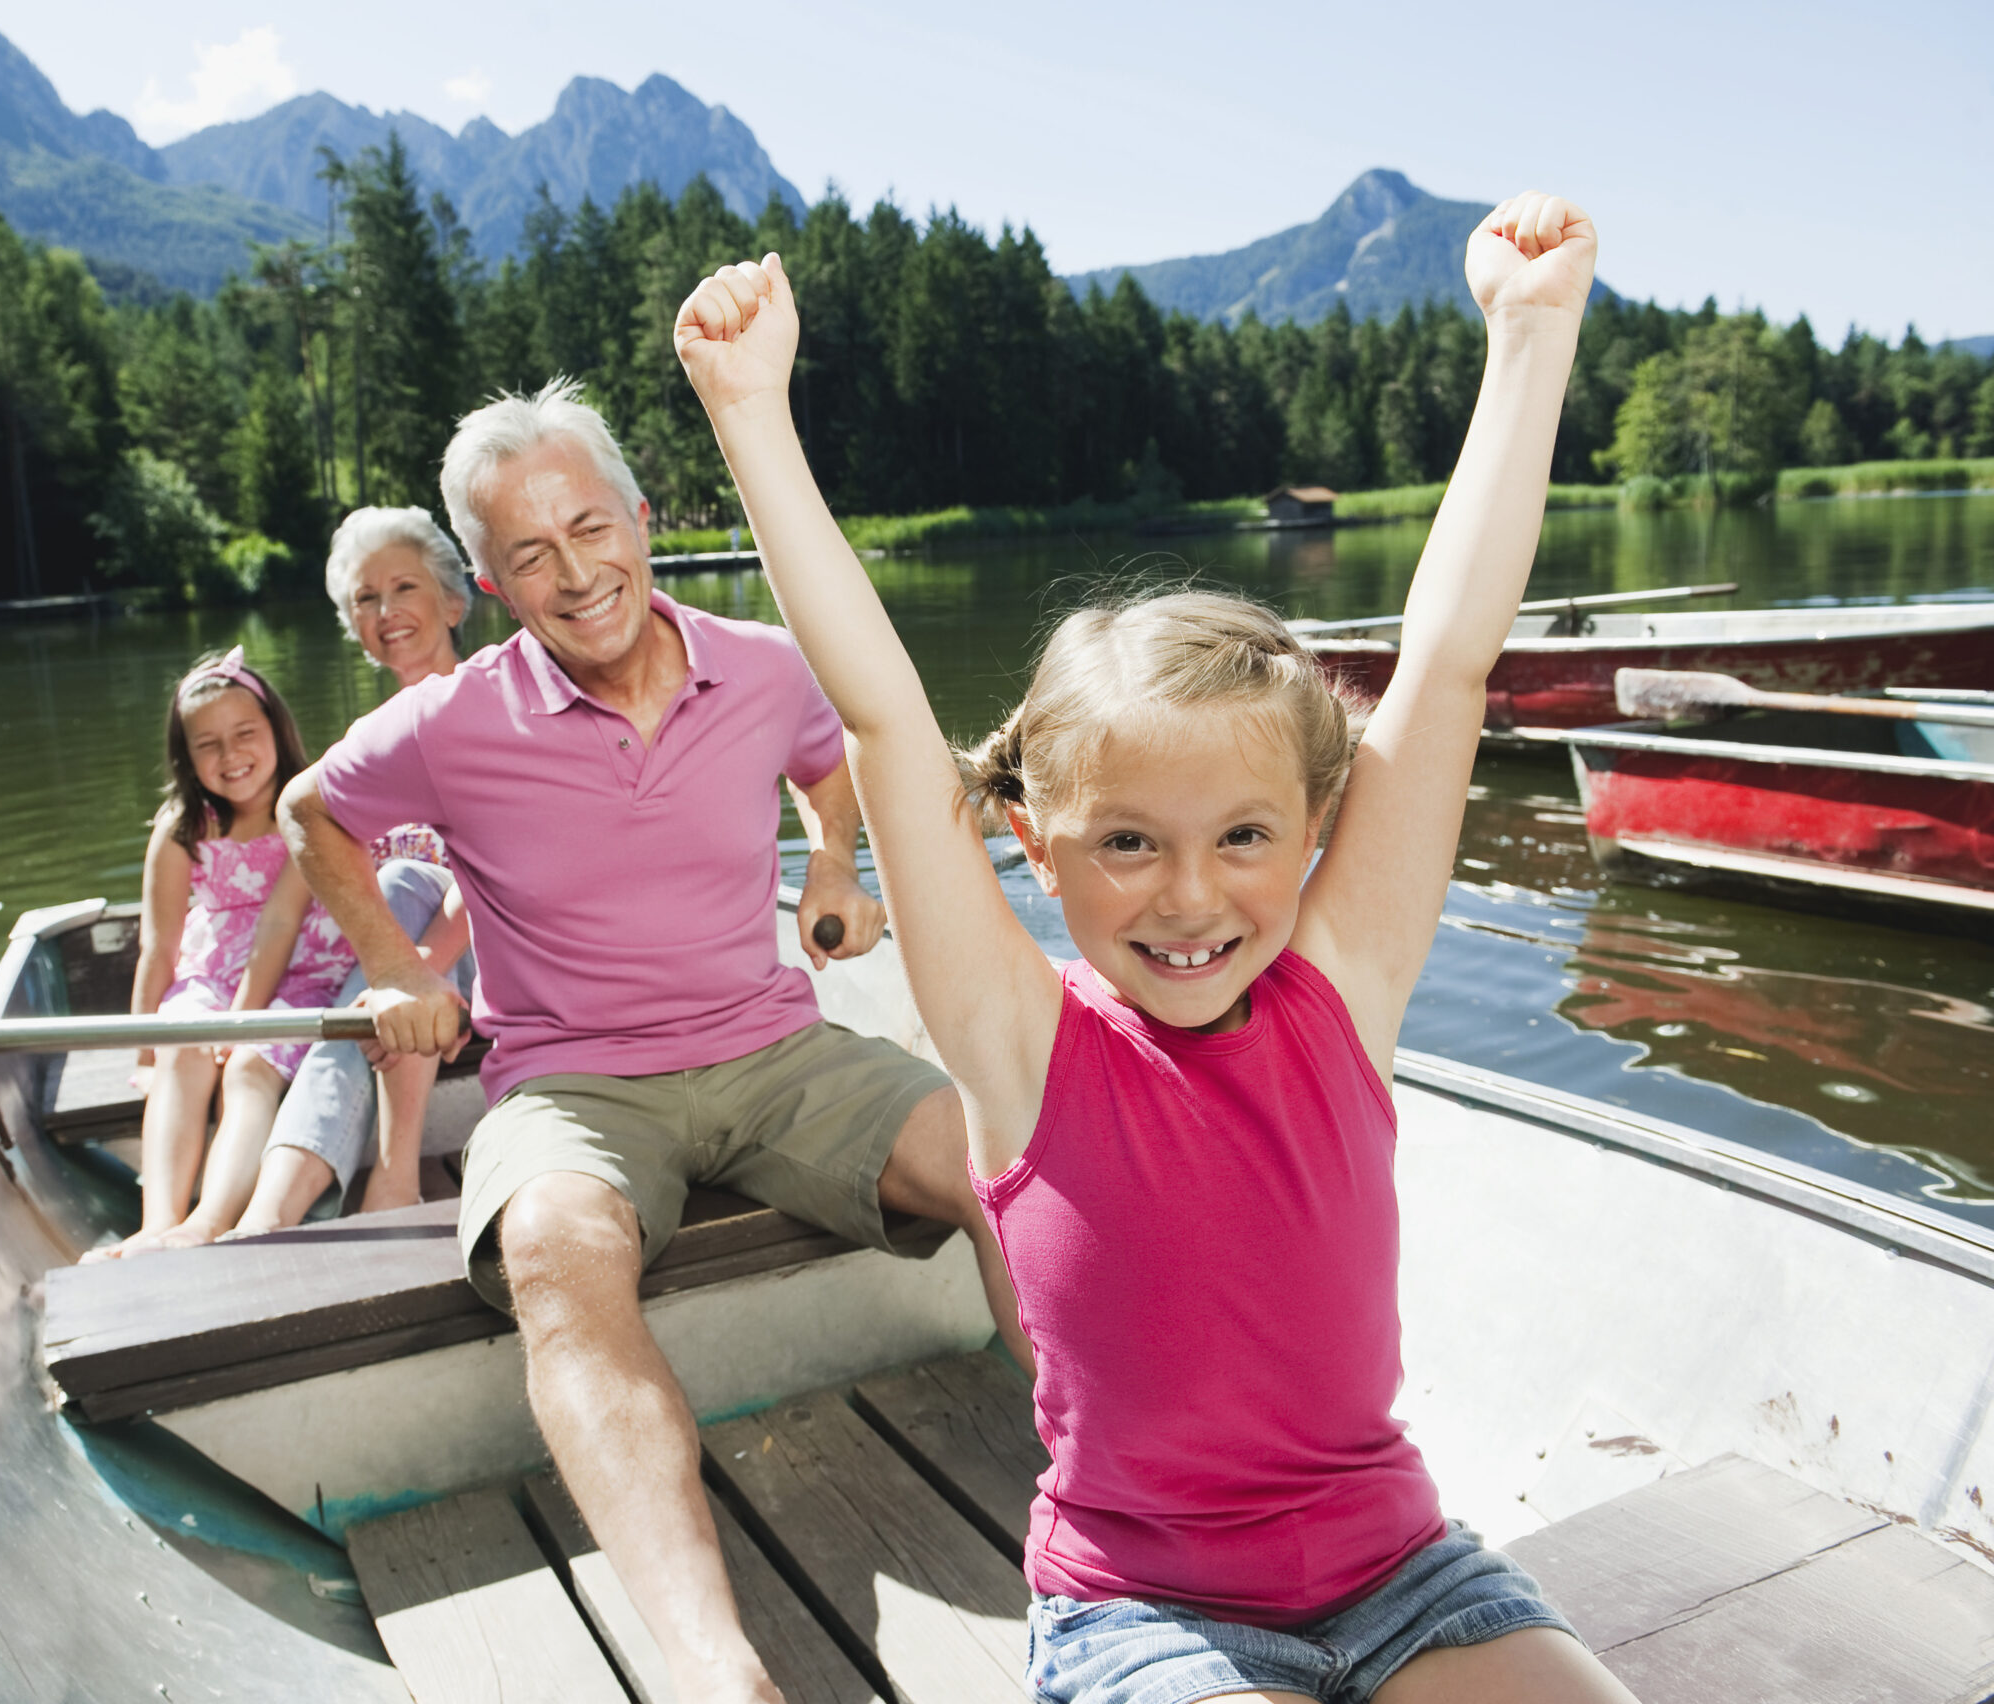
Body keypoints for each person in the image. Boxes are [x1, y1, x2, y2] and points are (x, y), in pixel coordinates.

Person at [673, 195, 1640, 1703]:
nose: (1191, 895)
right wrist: (751, 417)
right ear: (1039, 847)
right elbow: (878, 720)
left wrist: (1528, 336)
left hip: (1402, 1573)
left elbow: (1447, 662)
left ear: (1314, 826)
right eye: (1129, 843)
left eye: (1244, 838)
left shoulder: (1343, 989)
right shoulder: (1020, 1044)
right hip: (1150, 1615)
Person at [282, 377, 1027, 1704]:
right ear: (494, 586)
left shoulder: (763, 665)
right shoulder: (452, 723)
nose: (575, 573)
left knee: (1006, 1156)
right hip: (575, 1087)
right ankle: (714, 1665)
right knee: (560, 1256)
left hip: (778, 1056)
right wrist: (395, 970)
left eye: (590, 526)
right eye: (529, 555)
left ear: (640, 514)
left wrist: (838, 864)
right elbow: (306, 811)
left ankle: (1144, 1502)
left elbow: (829, 755)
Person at [223, 507, 482, 1235]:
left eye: (405, 587)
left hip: (485, 939)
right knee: (376, 961)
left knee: (398, 891)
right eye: (366, 599)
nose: (386, 610)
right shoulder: (363, 745)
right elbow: (309, 864)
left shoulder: (489, 707)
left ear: (453, 602)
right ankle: (273, 1215)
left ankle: (378, 1185)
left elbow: (495, 859)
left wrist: (421, 965)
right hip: (396, 964)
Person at [85, 646, 359, 1261]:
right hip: (210, 979)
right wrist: (146, 1049)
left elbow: (279, 929)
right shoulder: (184, 827)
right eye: (207, 744)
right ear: (186, 756)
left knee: (247, 1067)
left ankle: (210, 1219)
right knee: (182, 1046)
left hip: (298, 974)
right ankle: (157, 1221)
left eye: (245, 734)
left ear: (276, 732)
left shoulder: (307, 808)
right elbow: (157, 947)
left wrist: (241, 1022)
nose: (230, 756)